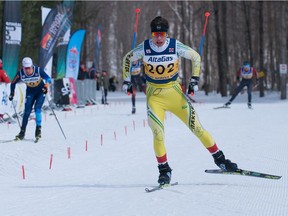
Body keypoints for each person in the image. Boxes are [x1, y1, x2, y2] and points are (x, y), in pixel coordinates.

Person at [122, 16, 238, 185]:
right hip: (155, 98)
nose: (159, 38)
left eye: (162, 34)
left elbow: (196, 57)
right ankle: (164, 171)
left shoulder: (174, 46)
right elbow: (127, 58)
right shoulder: (145, 48)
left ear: (166, 34)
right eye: (156, 34)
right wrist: (127, 80)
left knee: (197, 128)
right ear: (151, 34)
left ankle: (221, 160)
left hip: (175, 95)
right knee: (158, 134)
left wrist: (194, 79)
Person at [9, 57, 51, 140]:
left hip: (40, 92)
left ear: (32, 66)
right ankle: (22, 132)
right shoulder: (20, 73)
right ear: (23, 67)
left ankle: (38, 130)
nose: (27, 70)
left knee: (37, 109)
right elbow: (13, 83)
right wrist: (12, 93)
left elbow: (48, 79)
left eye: (29, 68)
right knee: (27, 112)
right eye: (26, 68)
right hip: (30, 92)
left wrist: (46, 86)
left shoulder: (38, 70)